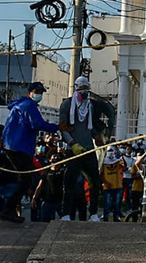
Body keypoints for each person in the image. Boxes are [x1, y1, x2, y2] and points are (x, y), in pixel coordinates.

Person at [1, 81, 59, 223]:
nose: (39, 95)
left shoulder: (21, 105)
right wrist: (56, 127)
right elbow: (37, 123)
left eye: (41, 92)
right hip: (18, 146)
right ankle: (8, 209)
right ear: (30, 92)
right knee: (26, 179)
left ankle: (10, 209)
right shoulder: (28, 106)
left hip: (13, 145)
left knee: (23, 179)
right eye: (37, 92)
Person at [58, 76, 105, 222]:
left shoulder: (89, 106)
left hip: (88, 149)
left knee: (95, 183)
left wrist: (96, 136)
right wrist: (72, 143)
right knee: (69, 183)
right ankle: (65, 213)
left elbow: (89, 127)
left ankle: (93, 213)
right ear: (76, 88)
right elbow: (63, 127)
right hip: (74, 149)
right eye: (82, 88)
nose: (85, 92)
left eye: (87, 88)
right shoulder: (67, 104)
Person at [32, 152, 64, 222]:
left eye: (57, 157)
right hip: (48, 200)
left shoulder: (63, 171)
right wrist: (34, 198)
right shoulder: (46, 171)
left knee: (65, 220)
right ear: (50, 159)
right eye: (54, 156)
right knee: (44, 222)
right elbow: (39, 186)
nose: (56, 158)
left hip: (60, 200)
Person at [100, 145, 124, 221]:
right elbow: (101, 174)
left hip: (117, 185)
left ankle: (116, 217)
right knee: (107, 204)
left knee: (117, 204)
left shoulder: (117, 160)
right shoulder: (103, 162)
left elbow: (124, 167)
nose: (110, 153)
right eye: (109, 151)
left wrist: (120, 157)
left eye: (111, 151)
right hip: (107, 187)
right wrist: (106, 183)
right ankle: (106, 217)